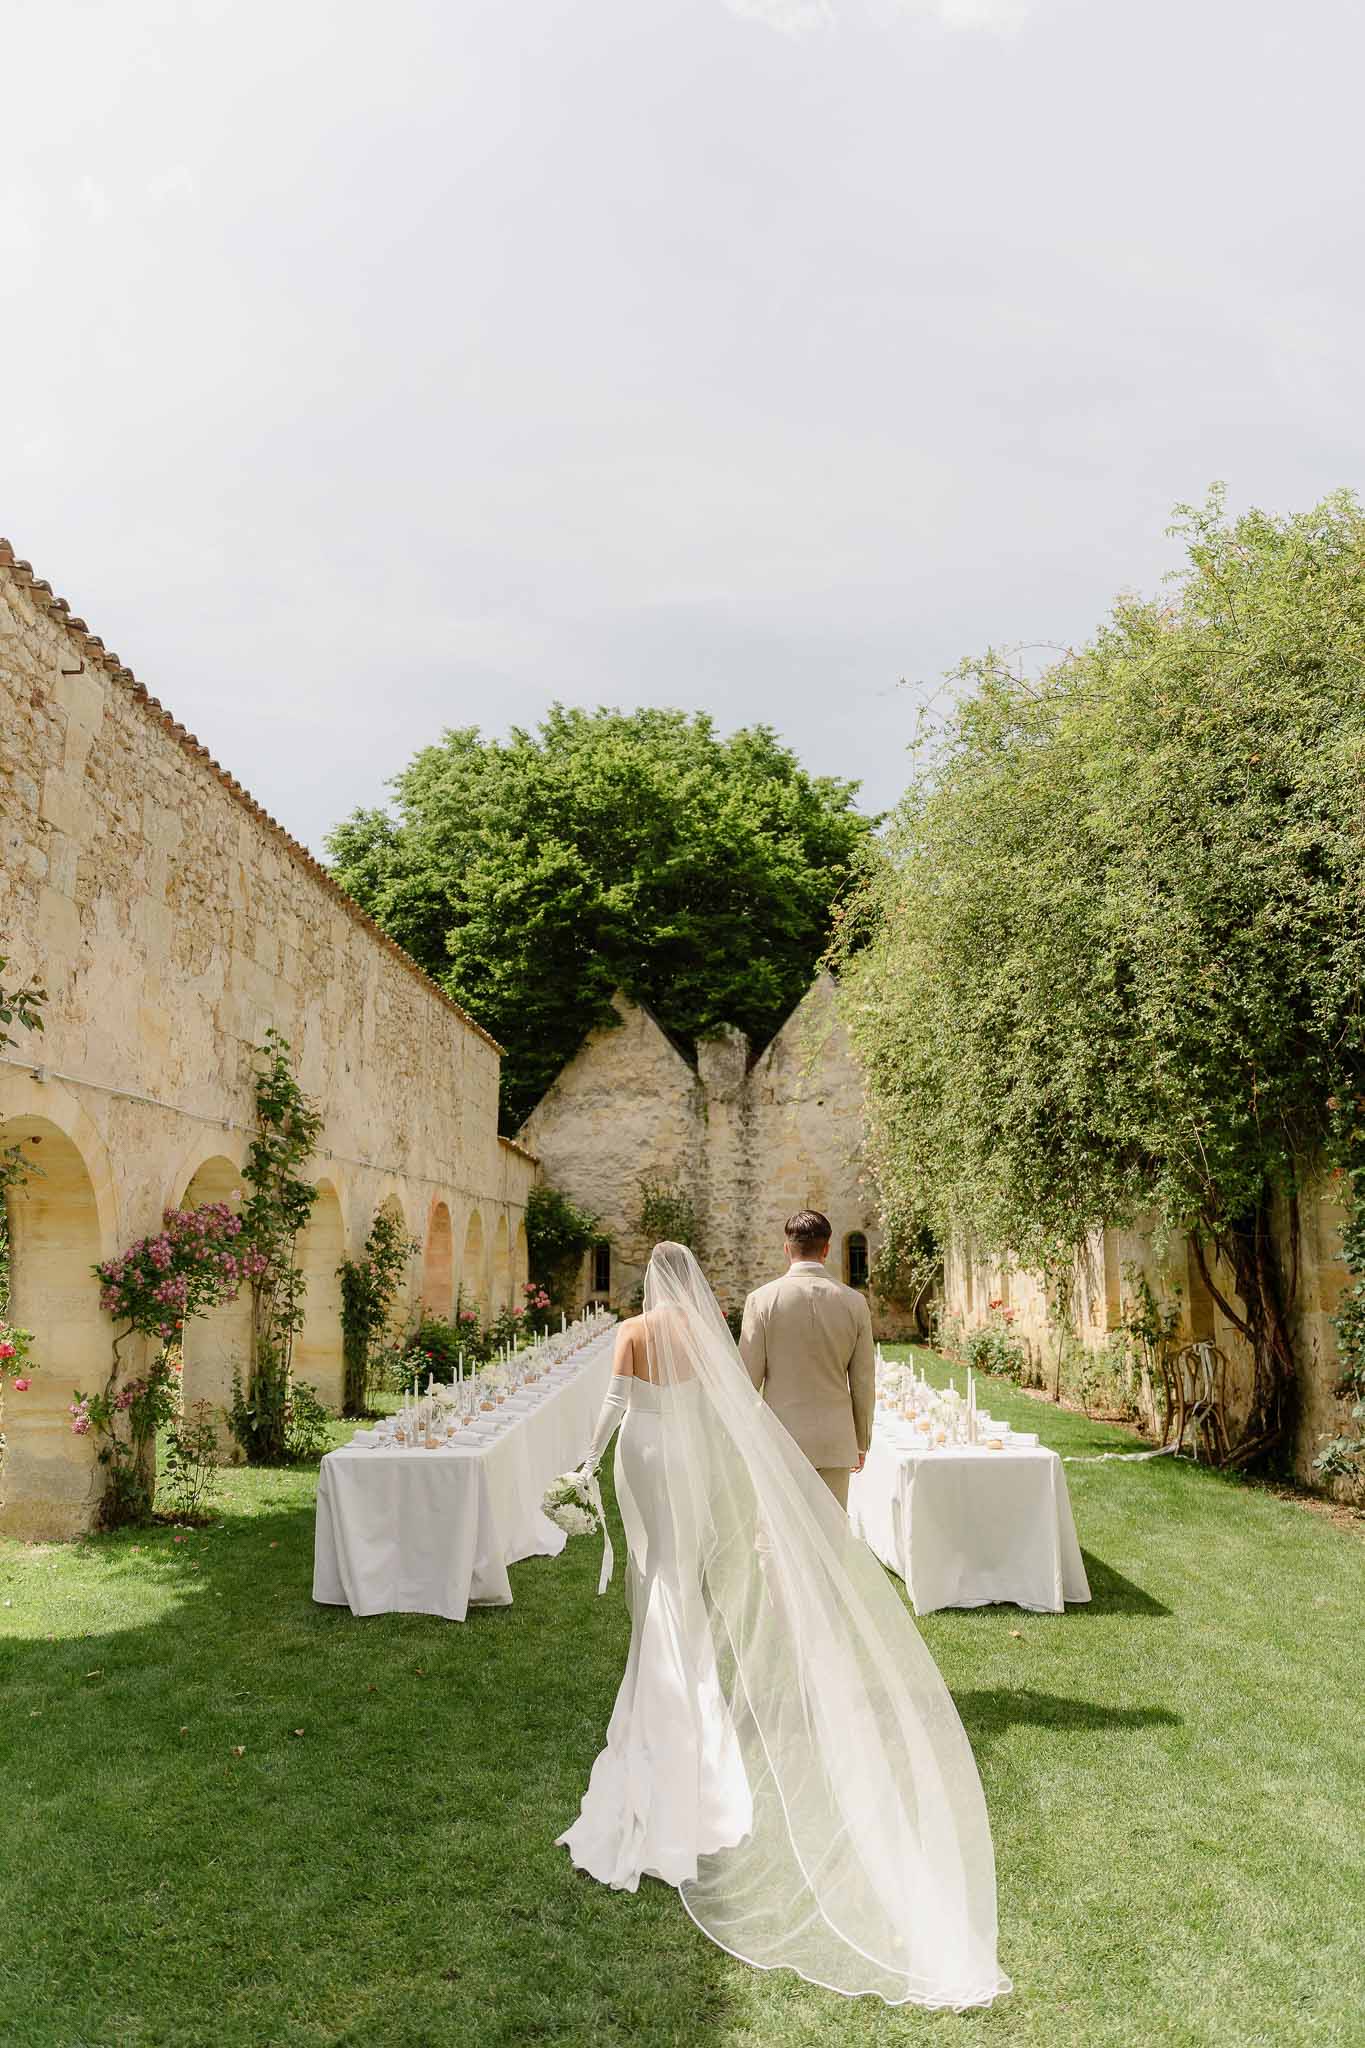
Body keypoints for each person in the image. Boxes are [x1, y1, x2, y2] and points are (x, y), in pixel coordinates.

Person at [557, 1241, 1010, 2013]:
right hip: (694, 1459)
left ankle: (657, 1667)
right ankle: (694, 1663)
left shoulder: (633, 1332)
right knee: (687, 1573)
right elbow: (722, 1406)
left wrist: (579, 1466)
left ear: (647, 1283)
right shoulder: (705, 1333)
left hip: (641, 1452)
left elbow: (611, 1407)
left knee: (652, 1570)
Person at [738, 1208, 874, 1509]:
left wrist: (747, 1436)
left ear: (787, 1248)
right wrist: (861, 1440)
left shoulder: (761, 1301)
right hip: (834, 1439)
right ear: (826, 1249)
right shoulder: (854, 1302)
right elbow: (863, 1381)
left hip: (780, 1438)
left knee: (779, 1541)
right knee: (829, 1540)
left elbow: (747, 1380)